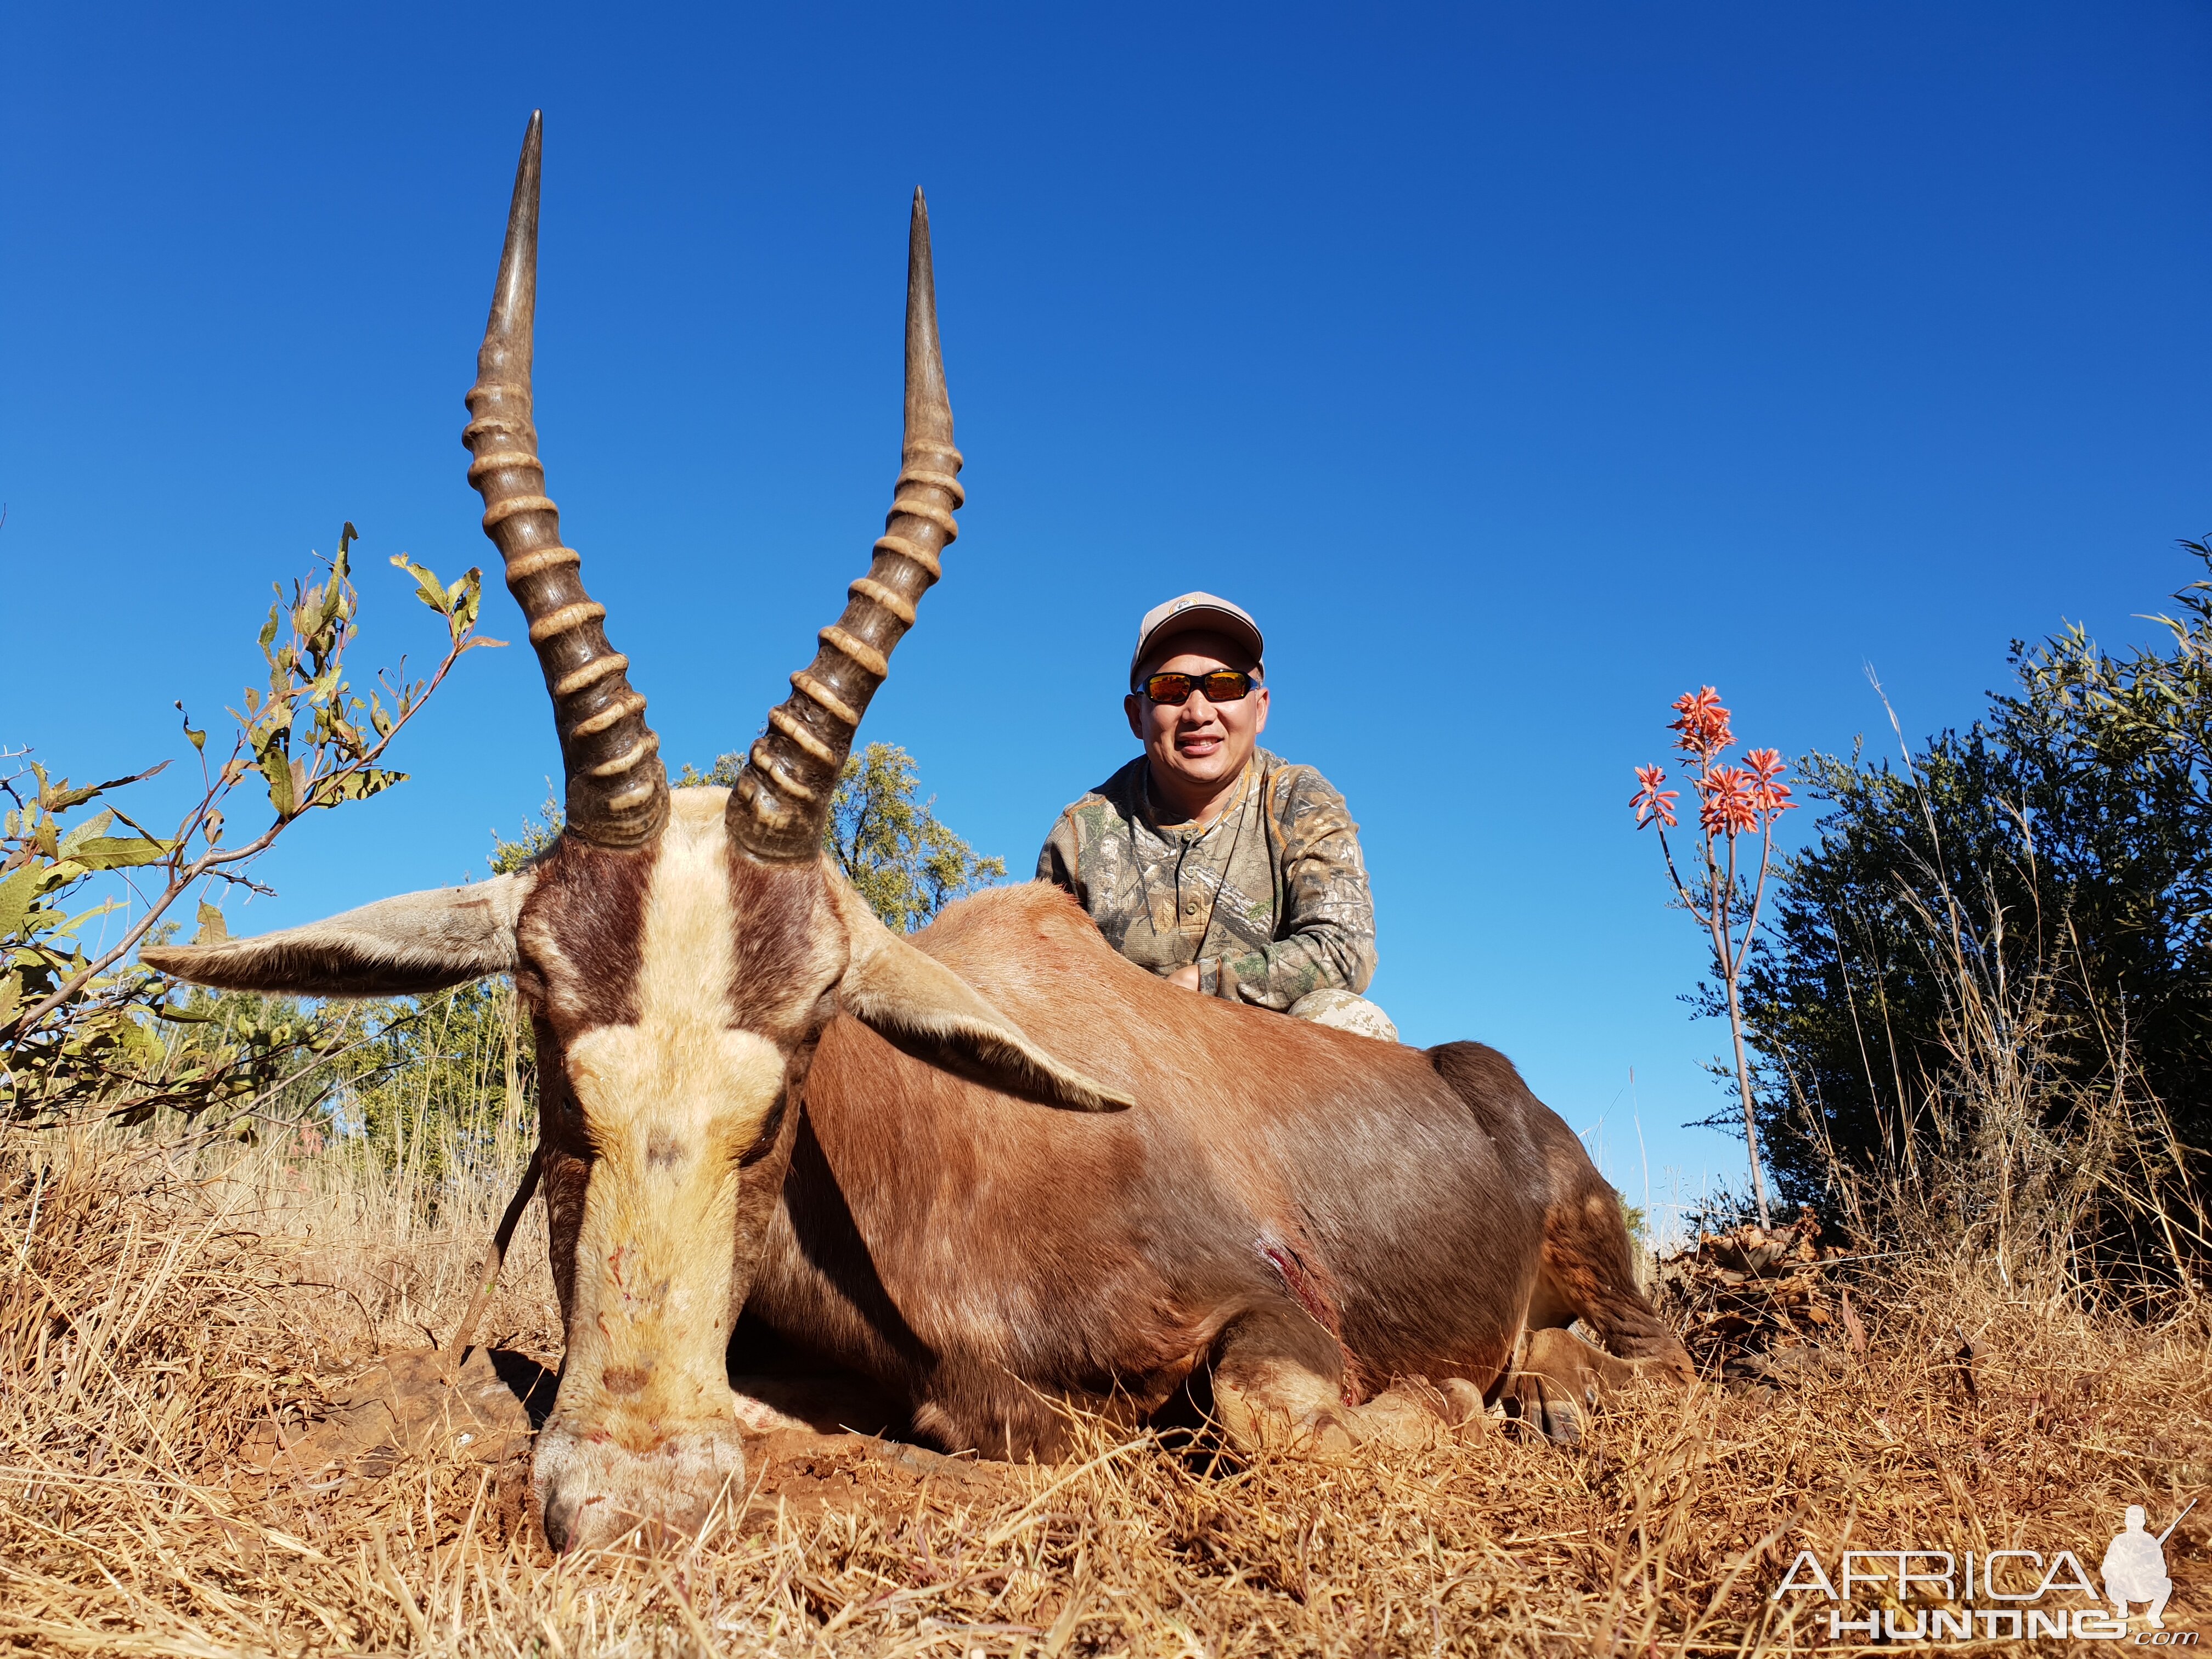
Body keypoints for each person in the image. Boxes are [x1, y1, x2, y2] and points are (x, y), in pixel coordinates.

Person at [1036, 592, 1397, 1041]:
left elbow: (1345, 951)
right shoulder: (1080, 834)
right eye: (1170, 689)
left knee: (1345, 1020)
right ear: (1137, 716)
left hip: (1268, 1066)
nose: (1199, 713)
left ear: (1260, 707)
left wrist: (1202, 984)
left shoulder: (1298, 800)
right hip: (1133, 1061)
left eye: (1225, 686)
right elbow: (1049, 990)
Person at [2102, 1505, 2175, 1629]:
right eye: (2131, 1520)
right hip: (2123, 1587)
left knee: (2166, 1584)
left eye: (2138, 1520)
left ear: (2143, 1522)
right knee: (2110, 1583)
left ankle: (2154, 1615)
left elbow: (2161, 1570)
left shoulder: (2150, 1541)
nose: (2134, 1524)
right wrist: (2121, 1572)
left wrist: (2143, 1572)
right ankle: (2122, 1607)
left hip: (2144, 1587)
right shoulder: (2119, 1541)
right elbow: (2106, 1568)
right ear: (2126, 1521)